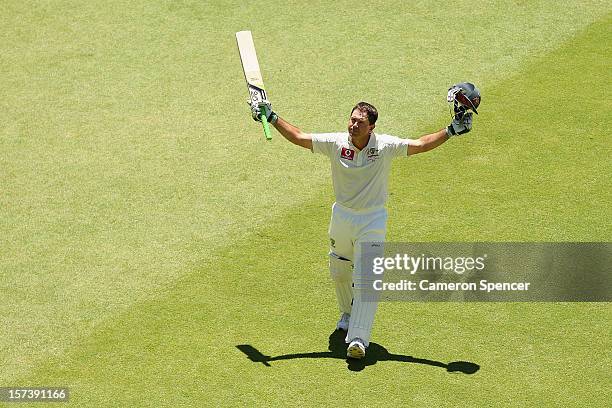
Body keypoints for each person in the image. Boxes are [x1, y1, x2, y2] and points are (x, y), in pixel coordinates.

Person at [250, 83, 481, 359]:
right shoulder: (336, 143)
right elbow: (299, 137)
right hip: (342, 216)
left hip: (372, 219)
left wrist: (451, 130)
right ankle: (347, 314)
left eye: (359, 122)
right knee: (339, 270)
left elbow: (419, 145)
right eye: (351, 120)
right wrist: (272, 117)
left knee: (368, 278)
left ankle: (358, 339)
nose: (353, 126)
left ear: (371, 127)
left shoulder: (384, 147)